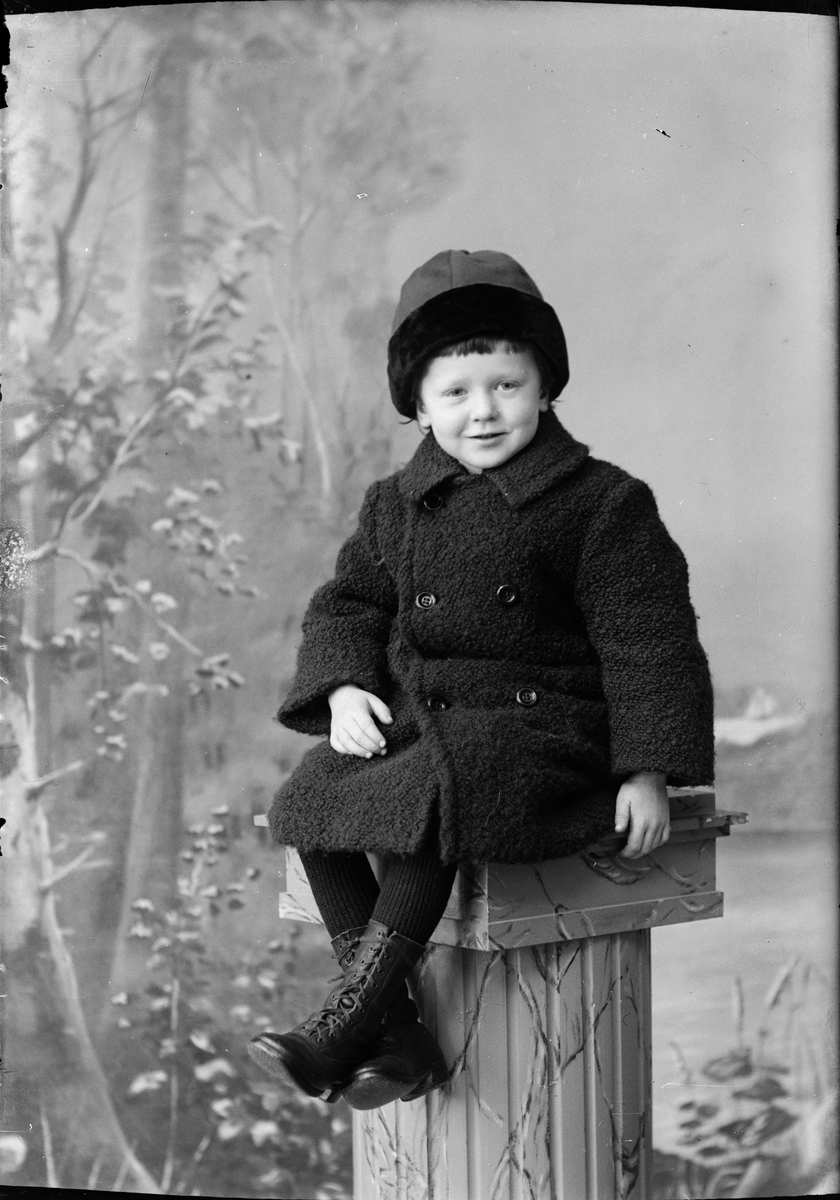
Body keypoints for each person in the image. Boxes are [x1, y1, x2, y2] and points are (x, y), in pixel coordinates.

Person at [248, 249, 714, 1111]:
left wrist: (647, 769)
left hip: (547, 724)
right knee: (312, 802)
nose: (484, 410)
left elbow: (649, 641)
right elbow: (348, 604)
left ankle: (348, 1022)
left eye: (506, 384)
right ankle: (392, 1032)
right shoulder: (394, 503)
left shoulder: (602, 501)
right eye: (456, 392)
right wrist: (344, 689)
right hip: (428, 718)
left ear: (545, 388)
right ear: (419, 406)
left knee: (449, 787)